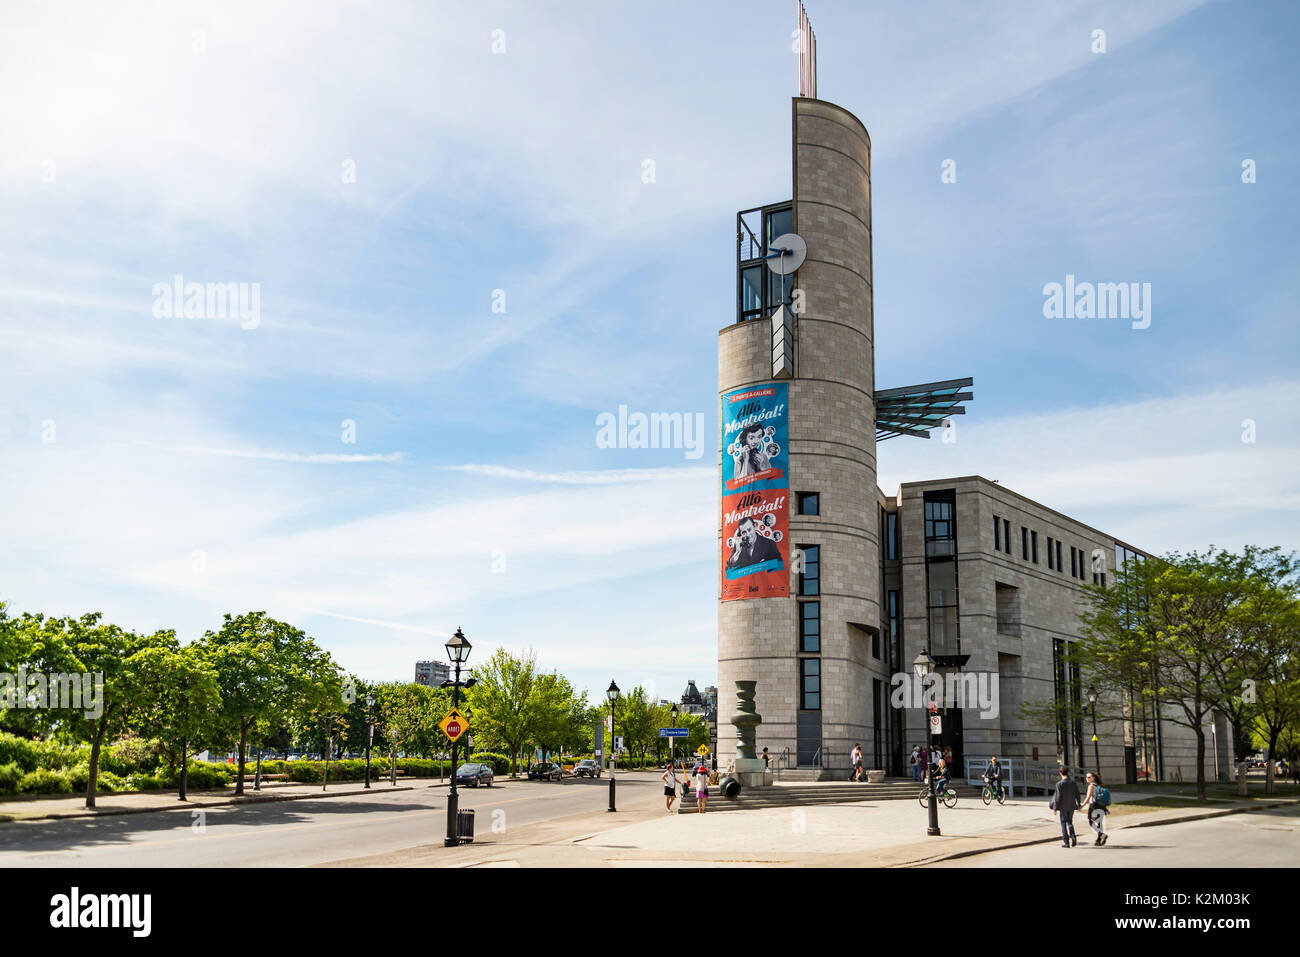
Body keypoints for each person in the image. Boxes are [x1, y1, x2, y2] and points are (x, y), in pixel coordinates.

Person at [1050, 766, 1082, 847]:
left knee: (1063, 824)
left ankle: (1066, 842)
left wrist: (1055, 808)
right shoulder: (1073, 782)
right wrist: (1079, 804)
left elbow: (1058, 797)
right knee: (1070, 822)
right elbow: (1077, 794)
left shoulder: (1059, 784)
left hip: (1063, 807)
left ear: (1060, 773)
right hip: (1071, 806)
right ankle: (1073, 836)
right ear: (1067, 773)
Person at [1081, 770, 1109, 845]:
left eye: (1089, 777)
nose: (1087, 778)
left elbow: (1088, 797)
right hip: (1102, 805)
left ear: (1093, 778)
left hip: (1094, 806)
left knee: (1091, 822)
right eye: (1086, 777)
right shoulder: (1099, 785)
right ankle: (1098, 840)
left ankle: (1102, 835)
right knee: (1100, 822)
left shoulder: (1091, 786)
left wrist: (1082, 805)